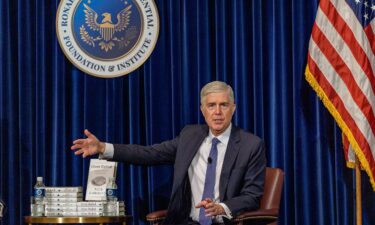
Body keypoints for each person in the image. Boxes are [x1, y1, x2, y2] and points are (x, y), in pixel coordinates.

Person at [71, 81, 266, 225]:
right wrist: (104, 148)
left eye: (223, 105)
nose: (217, 112)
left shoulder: (251, 145)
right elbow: (149, 154)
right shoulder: (190, 135)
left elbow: (252, 195)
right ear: (202, 110)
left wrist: (222, 207)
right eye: (211, 105)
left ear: (233, 109)